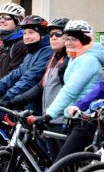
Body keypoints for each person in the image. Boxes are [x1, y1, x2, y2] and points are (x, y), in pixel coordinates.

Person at [28, 20, 104, 161]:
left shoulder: (88, 60)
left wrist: (49, 115)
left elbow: (69, 91)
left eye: (74, 39)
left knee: (61, 164)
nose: (68, 42)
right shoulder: (75, 58)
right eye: (67, 38)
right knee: (66, 168)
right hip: (73, 118)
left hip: (85, 120)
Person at [0, 18, 70, 160]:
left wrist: (9, 98)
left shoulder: (67, 61)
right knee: (51, 166)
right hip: (48, 119)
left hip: (61, 121)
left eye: (58, 34)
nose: (53, 37)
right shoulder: (54, 58)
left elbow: (69, 93)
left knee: (63, 170)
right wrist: (10, 101)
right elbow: (39, 88)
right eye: (52, 34)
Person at [0, 15, 53, 112]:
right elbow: (14, 75)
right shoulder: (31, 53)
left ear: (42, 35)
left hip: (40, 107)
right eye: (24, 33)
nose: (27, 37)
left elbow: (30, 78)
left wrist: (7, 97)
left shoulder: (47, 52)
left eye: (31, 33)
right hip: (27, 105)